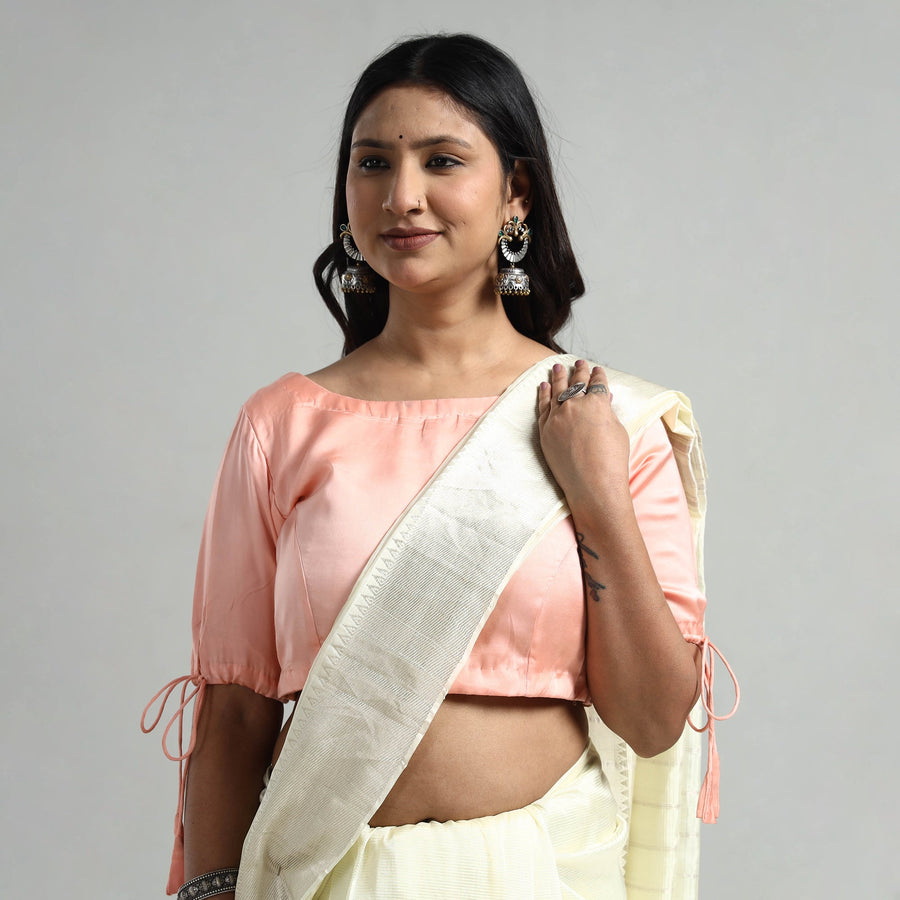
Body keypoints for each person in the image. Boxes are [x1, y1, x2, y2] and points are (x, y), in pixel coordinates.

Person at [143, 33, 737, 900]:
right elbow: (233, 715)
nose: (402, 196)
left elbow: (653, 721)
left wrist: (597, 493)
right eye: (373, 163)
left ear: (516, 191)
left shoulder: (605, 421)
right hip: (326, 876)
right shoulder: (283, 424)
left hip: (546, 874)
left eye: (442, 160)